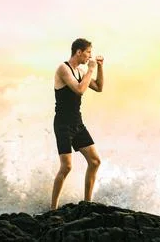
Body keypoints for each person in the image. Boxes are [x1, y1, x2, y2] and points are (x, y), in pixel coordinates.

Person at [51, 38, 104, 210]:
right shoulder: (63, 68)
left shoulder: (81, 71)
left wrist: (100, 67)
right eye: (88, 52)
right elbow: (80, 89)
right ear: (79, 52)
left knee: (95, 161)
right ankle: (53, 209)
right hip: (63, 124)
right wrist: (90, 70)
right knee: (66, 167)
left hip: (77, 123)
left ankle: (87, 204)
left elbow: (99, 88)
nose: (90, 56)